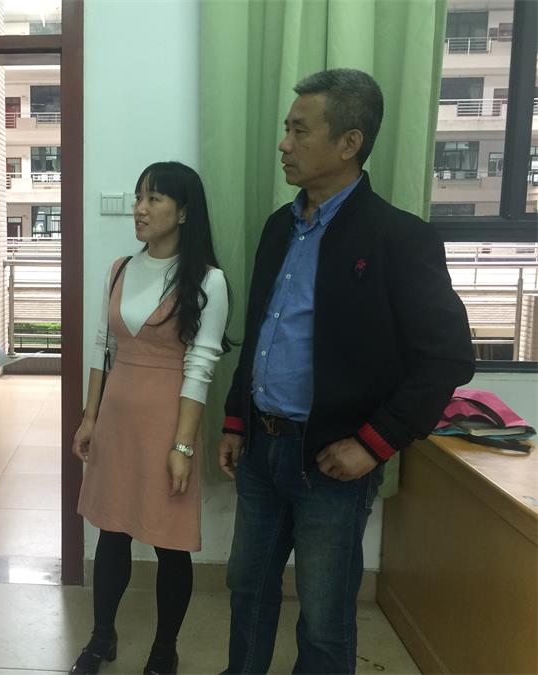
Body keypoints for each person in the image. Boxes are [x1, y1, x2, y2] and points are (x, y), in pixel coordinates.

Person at [217, 69, 475, 674]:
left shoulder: (398, 238)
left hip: (332, 461)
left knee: (325, 615)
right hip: (261, 450)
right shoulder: (279, 227)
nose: (283, 144)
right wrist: (235, 419)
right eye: (286, 129)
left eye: (299, 131)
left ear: (349, 143)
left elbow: (448, 358)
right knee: (247, 590)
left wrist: (373, 444)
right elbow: (260, 333)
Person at [71, 161, 232, 675]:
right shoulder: (120, 268)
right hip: (116, 418)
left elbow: (200, 368)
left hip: (168, 423)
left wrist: (182, 446)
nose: (140, 209)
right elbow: (103, 346)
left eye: (154, 199)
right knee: (111, 533)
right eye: (138, 198)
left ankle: (165, 648)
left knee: (169, 542)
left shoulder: (208, 280)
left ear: (183, 212)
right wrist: (89, 417)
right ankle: (101, 637)